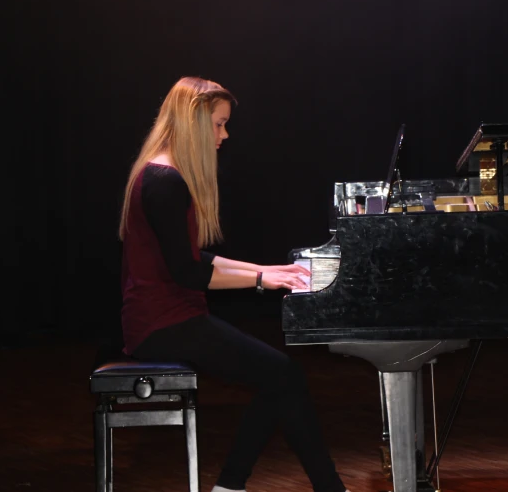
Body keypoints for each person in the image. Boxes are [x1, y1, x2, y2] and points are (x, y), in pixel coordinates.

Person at [117, 76, 349, 492]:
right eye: (219, 124)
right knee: (283, 376)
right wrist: (260, 278)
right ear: (193, 122)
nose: (226, 134)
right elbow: (188, 273)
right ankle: (302, 486)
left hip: (167, 316)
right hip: (162, 323)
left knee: (280, 378)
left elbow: (192, 259)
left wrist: (265, 271)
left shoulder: (162, 175)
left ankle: (235, 485)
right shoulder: (165, 182)